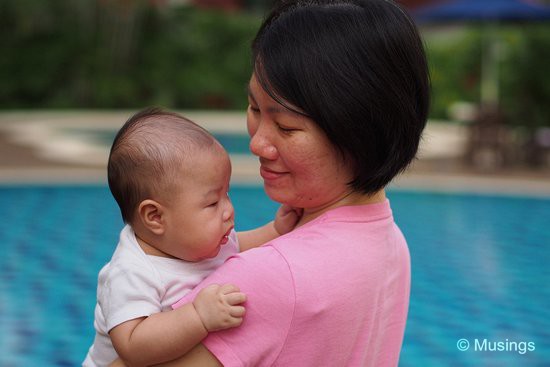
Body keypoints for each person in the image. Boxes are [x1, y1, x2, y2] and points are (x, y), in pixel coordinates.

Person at [113, 0, 430, 365]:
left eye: (286, 127)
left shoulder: (266, 280)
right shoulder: (391, 241)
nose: (257, 143)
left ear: (359, 133)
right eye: (254, 109)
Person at [83, 108, 301, 366]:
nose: (228, 210)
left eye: (227, 195)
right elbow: (132, 345)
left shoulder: (202, 242)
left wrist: (275, 230)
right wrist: (198, 316)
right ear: (155, 217)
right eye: (212, 203)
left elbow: (239, 245)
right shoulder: (131, 272)